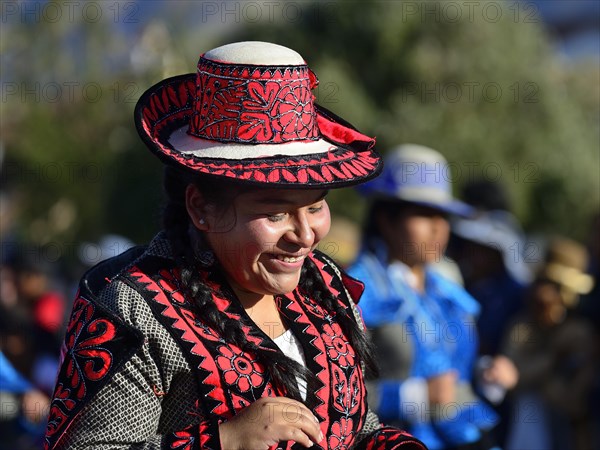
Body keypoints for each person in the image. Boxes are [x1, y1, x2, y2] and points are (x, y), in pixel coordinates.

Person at [43, 41, 427, 450]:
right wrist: (225, 440)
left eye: (315, 206)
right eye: (276, 214)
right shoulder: (135, 312)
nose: (305, 235)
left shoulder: (325, 288)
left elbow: (355, 427)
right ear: (201, 208)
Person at [347, 145, 518, 450]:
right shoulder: (357, 290)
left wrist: (486, 373)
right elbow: (336, 390)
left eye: (443, 215)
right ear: (387, 219)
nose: (438, 228)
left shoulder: (446, 289)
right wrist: (412, 397)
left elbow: (455, 372)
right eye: (424, 214)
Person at [502, 237, 596, 450]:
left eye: (553, 287)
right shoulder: (522, 327)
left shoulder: (579, 333)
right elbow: (512, 377)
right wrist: (552, 358)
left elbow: (574, 400)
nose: (542, 294)